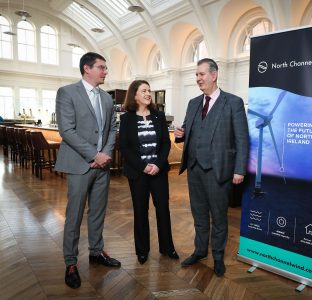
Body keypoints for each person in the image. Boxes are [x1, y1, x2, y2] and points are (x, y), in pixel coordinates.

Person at [174, 58, 249, 277]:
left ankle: (217, 256)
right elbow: (190, 129)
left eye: (201, 74)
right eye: (196, 75)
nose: (198, 79)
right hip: (195, 169)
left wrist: (239, 169)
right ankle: (200, 251)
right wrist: (181, 134)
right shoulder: (193, 103)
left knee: (218, 216)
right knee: (198, 215)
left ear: (214, 75)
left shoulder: (233, 102)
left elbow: (242, 139)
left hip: (219, 170)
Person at [55, 52, 120, 289]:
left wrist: (104, 155)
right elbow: (67, 130)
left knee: (98, 212)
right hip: (79, 165)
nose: (105, 71)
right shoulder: (67, 92)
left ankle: (96, 252)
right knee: (74, 215)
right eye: (101, 67)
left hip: (102, 165)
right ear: (87, 69)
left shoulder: (106, 98)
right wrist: (94, 155)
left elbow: (112, 128)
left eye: (105, 67)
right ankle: (70, 263)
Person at [119, 80, 179, 265]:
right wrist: (143, 166)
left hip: (158, 172)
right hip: (138, 173)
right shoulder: (127, 118)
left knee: (163, 210)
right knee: (140, 211)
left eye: (149, 90)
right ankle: (142, 250)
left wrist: (158, 165)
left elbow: (165, 143)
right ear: (134, 95)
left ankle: (167, 247)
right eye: (143, 90)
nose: (148, 93)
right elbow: (125, 147)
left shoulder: (158, 116)